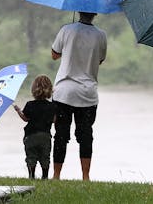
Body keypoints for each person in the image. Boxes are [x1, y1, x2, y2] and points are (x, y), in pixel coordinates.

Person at [51, 11, 107, 181]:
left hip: (63, 93)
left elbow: (54, 55)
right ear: (95, 14)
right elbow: (100, 60)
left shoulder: (66, 30)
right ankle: (85, 176)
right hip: (87, 94)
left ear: (78, 11)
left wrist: (68, 50)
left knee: (61, 135)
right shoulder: (101, 35)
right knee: (85, 136)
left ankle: (56, 175)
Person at [14, 74, 57, 179]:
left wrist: (18, 110)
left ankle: (31, 175)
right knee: (45, 158)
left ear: (33, 89)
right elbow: (54, 120)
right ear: (50, 90)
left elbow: (25, 118)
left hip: (31, 136)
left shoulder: (30, 104)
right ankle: (45, 177)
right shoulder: (52, 106)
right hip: (45, 136)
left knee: (31, 157)